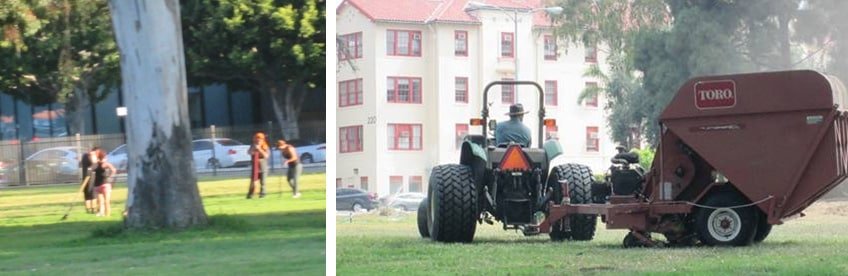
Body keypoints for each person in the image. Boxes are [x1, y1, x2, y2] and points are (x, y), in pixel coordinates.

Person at [92, 149, 116, 217]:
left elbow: (113, 170)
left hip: (104, 185)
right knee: (101, 202)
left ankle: (107, 215)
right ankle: (102, 213)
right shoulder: (97, 164)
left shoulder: (104, 164)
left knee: (106, 201)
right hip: (99, 185)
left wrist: (110, 177)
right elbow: (113, 170)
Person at [247, 132, 270, 199]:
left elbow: (266, 156)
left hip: (263, 166)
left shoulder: (265, 146)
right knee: (253, 181)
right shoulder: (253, 145)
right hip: (255, 166)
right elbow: (249, 152)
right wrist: (254, 148)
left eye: (259, 139)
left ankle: (262, 194)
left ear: (262, 140)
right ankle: (250, 195)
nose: (258, 141)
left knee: (263, 182)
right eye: (256, 139)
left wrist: (260, 149)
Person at [79, 147, 98, 214]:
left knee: (89, 193)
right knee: (90, 193)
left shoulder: (85, 156)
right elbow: (95, 164)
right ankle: (91, 209)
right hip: (89, 176)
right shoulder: (90, 155)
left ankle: (91, 209)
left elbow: (80, 164)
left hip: (87, 176)